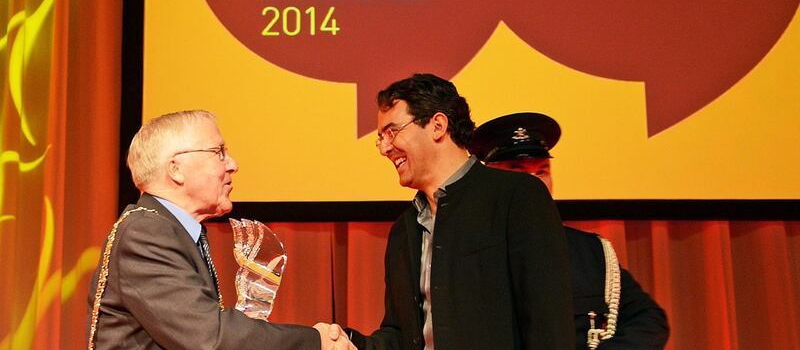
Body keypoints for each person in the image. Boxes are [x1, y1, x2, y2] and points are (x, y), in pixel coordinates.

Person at [87, 110, 355, 350]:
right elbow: (209, 338)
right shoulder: (145, 232)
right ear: (175, 169)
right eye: (219, 152)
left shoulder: (168, 229)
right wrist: (314, 341)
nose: (232, 164)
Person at [347, 74, 574, 350]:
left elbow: (548, 325)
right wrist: (345, 343)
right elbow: (400, 336)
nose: (384, 148)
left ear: (437, 125)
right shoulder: (403, 230)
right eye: (380, 138)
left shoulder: (517, 197)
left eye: (392, 132)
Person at [469, 112, 670, 350]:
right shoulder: (466, 248)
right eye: (518, 171)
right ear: (490, 178)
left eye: (542, 171)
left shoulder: (590, 251)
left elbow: (649, 320)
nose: (536, 184)